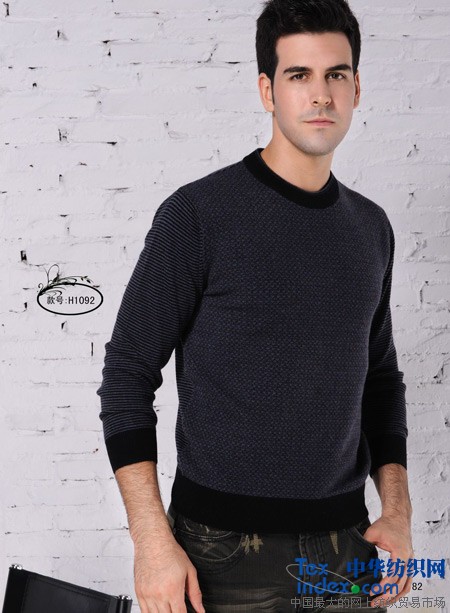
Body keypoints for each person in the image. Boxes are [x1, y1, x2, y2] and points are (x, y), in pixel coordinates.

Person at [96, 1, 415, 611]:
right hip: (217, 552)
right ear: (268, 90)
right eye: (299, 75)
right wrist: (152, 542)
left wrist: (396, 513)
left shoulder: (371, 228)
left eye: (336, 74)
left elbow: (380, 382)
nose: (320, 94)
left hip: (346, 549)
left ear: (356, 88)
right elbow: (127, 375)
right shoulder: (198, 216)